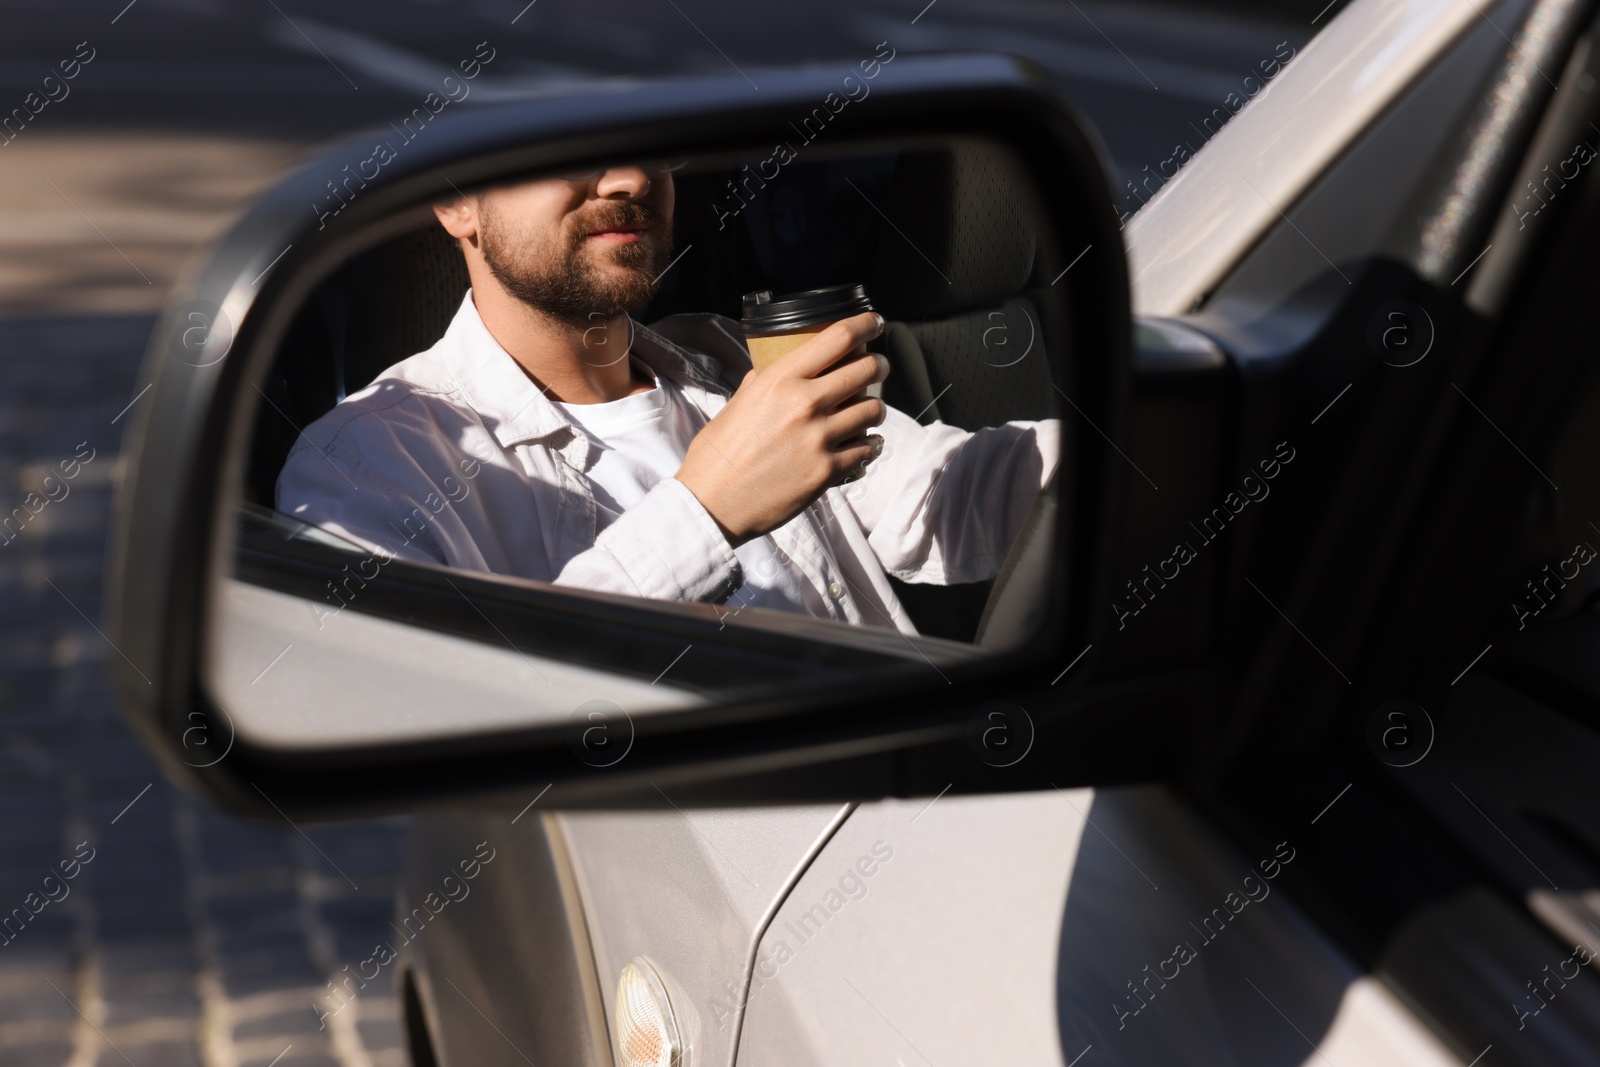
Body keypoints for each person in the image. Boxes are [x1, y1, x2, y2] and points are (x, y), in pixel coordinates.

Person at [276, 163, 1058, 636]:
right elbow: (446, 730)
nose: (630, 179)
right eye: (569, 148)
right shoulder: (364, 465)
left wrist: (1150, 439)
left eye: (650, 149)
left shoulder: (725, 358)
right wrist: (707, 509)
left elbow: (949, 498)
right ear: (456, 205)